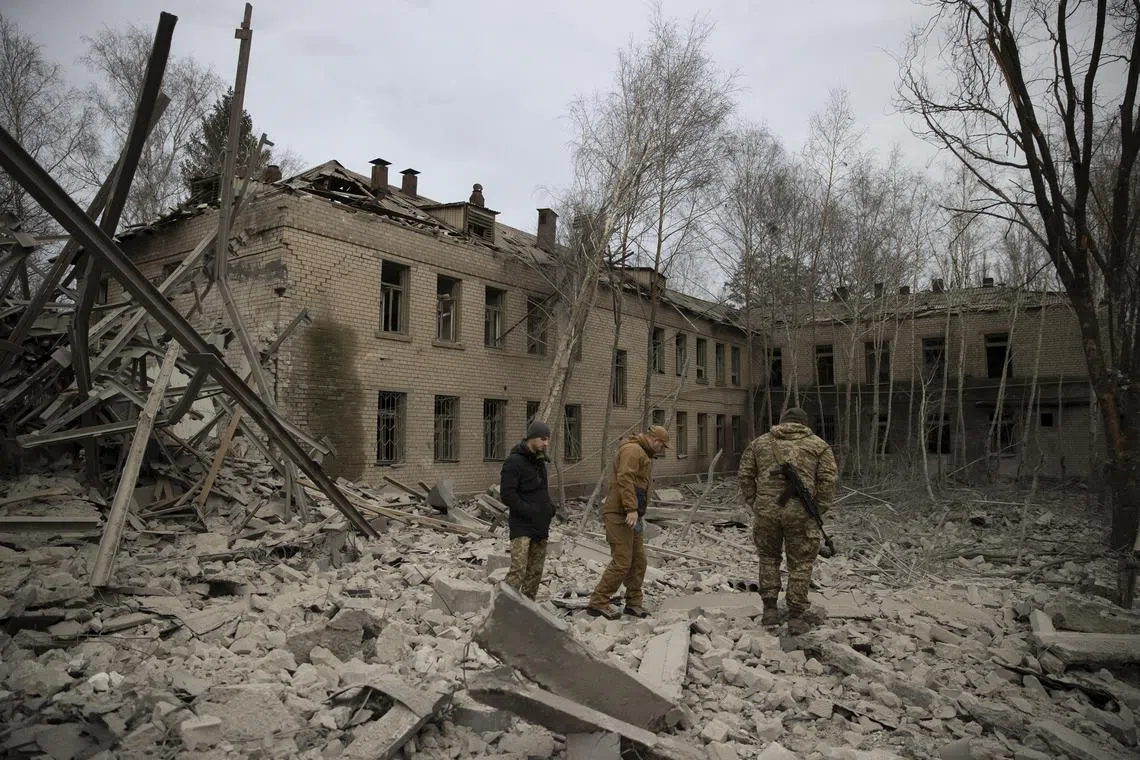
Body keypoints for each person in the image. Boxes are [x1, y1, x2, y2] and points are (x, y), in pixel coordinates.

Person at [738, 407, 838, 635]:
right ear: (804, 423)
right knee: (801, 564)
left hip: (766, 512)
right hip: (801, 514)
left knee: (768, 558)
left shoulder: (759, 443)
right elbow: (828, 481)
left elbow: (744, 474)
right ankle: (795, 616)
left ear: (782, 422)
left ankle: (770, 611)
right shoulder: (819, 445)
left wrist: (755, 501)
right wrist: (817, 509)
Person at [587, 424, 670, 619]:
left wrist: (636, 512)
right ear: (656, 441)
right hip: (619, 513)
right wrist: (631, 508)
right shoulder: (632, 450)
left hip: (633, 515)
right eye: (663, 446)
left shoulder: (642, 452)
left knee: (638, 560)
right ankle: (598, 602)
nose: (663, 450)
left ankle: (633, 602)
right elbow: (625, 478)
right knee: (622, 561)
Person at [499, 420, 555, 601]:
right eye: (543, 439)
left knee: (535, 572)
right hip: (522, 525)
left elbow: (543, 489)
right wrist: (529, 510)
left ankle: (527, 610)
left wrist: (549, 508)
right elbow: (507, 494)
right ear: (532, 438)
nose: (546, 443)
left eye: (547, 440)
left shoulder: (540, 461)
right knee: (519, 570)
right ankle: (503, 608)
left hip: (540, 525)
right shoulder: (514, 462)